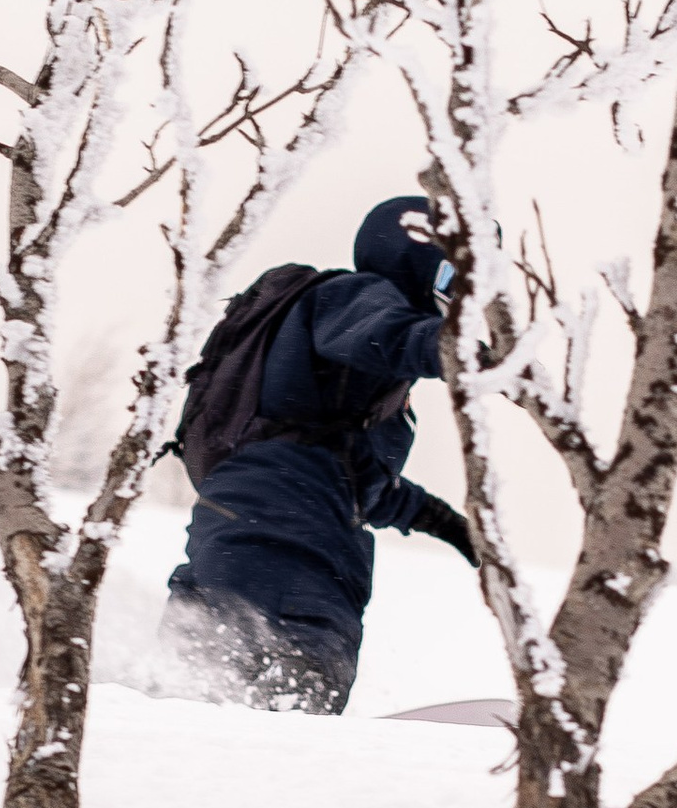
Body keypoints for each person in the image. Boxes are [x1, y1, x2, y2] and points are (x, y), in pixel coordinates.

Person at [157, 194, 479, 714]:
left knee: (207, 699)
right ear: (414, 258)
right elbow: (389, 336)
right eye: (451, 282)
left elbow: (360, 484)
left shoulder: (341, 401)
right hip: (284, 554)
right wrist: (470, 351)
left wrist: (447, 523)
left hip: (262, 538)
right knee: (290, 705)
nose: (458, 302)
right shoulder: (355, 297)